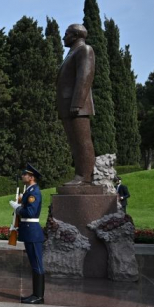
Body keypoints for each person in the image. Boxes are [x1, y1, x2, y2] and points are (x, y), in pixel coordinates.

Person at [57, 24, 96, 186]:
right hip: (68, 106)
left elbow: (85, 77)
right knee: (74, 142)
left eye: (66, 34)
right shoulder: (72, 53)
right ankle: (80, 174)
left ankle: (85, 176)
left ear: (75, 35)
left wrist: (77, 103)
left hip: (77, 106)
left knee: (82, 141)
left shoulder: (84, 50)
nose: (63, 37)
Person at [9, 163, 45, 304]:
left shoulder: (34, 192)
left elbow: (30, 212)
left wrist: (18, 208)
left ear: (31, 177)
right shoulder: (30, 190)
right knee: (34, 263)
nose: (23, 176)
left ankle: (38, 296)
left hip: (33, 231)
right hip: (29, 230)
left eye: (25, 174)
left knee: (37, 263)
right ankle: (36, 294)